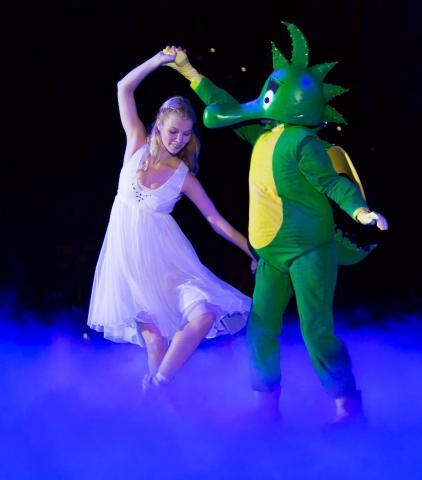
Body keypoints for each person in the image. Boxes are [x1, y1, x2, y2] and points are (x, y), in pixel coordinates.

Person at [164, 22, 388, 425]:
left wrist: (361, 211)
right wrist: (188, 72)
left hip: (308, 252)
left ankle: (348, 405)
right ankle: (266, 407)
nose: (262, 102)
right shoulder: (264, 135)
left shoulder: (303, 143)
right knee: (260, 330)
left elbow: (332, 183)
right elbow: (226, 105)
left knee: (316, 331)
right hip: (271, 256)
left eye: (271, 95)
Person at [86, 48, 256, 395]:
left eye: (185, 134)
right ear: (159, 125)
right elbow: (123, 88)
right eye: (173, 131)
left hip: (169, 263)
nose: (179, 139)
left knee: (204, 314)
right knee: (154, 343)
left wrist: (251, 250)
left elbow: (215, 219)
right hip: (129, 266)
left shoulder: (184, 176)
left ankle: (158, 386)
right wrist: (158, 61)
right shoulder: (134, 144)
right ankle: (165, 420)